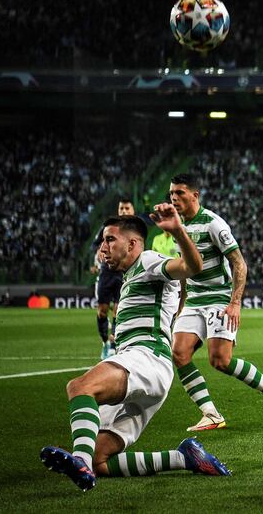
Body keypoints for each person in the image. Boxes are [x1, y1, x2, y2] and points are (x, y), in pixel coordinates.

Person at [40, 206, 230, 492]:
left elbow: (191, 267)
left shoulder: (148, 260)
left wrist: (178, 230)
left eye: (109, 239)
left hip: (145, 358)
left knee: (80, 388)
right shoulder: (130, 277)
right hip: (147, 369)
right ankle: (184, 458)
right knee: (100, 459)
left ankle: (78, 461)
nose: (103, 247)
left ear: (132, 244)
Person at [168, 173, 263, 431]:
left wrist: (235, 302)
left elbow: (239, 263)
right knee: (179, 353)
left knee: (220, 360)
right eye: (171, 194)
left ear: (195, 195)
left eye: (180, 193)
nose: (174, 198)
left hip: (219, 297)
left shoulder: (214, 224)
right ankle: (211, 413)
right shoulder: (177, 226)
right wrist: (182, 303)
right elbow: (183, 266)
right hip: (194, 299)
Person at [90, 198, 135, 360]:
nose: (123, 211)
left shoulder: (136, 229)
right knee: (102, 311)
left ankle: (115, 345)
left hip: (124, 273)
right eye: (121, 208)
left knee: (118, 310)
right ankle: (105, 343)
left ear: (132, 210)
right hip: (107, 273)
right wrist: (99, 253)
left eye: (127, 208)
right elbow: (95, 245)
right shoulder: (109, 226)